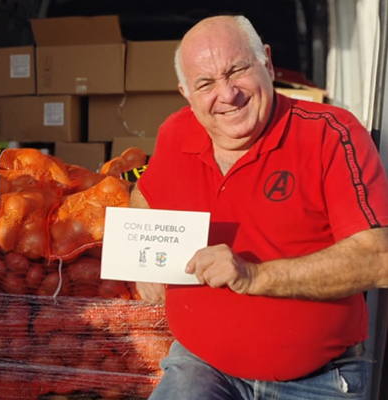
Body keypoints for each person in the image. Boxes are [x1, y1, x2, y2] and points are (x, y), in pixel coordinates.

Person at [131, 15, 388, 400]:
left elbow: (378, 260)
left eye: (237, 70)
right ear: (185, 92)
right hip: (202, 365)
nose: (228, 93)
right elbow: (145, 196)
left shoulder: (330, 133)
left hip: (318, 378)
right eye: (205, 84)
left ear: (267, 62)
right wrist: (142, 259)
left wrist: (252, 276)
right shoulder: (176, 131)